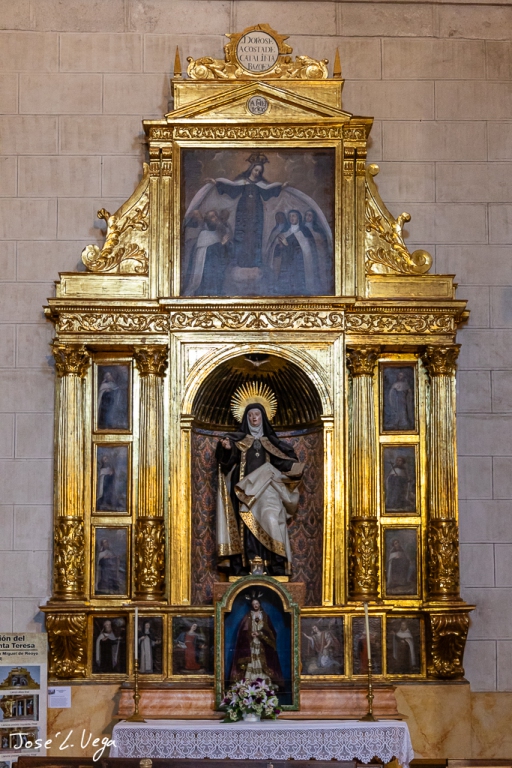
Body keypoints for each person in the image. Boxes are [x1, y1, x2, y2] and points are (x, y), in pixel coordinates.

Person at [216, 385, 303, 577]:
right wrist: (227, 449)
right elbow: (226, 462)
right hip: (245, 492)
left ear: (263, 417)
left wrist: (294, 467)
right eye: (250, 415)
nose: (254, 418)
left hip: (267, 491)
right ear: (245, 418)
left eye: (257, 414)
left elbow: (282, 461)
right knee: (245, 527)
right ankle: (245, 566)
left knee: (272, 520)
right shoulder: (239, 441)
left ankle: (275, 564)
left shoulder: (271, 443)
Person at [207, 154, 287, 272]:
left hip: (257, 214)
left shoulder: (260, 185)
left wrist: (281, 187)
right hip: (243, 214)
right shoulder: (242, 182)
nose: (257, 173)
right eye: (256, 170)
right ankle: (241, 260)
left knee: (255, 236)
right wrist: (217, 183)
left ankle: (255, 261)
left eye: (259, 171)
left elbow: (267, 193)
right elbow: (232, 190)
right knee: (242, 235)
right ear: (251, 169)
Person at [230, 595, 283, 689]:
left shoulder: (265, 616)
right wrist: (250, 634)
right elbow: (242, 630)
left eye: (257, 603)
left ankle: (263, 683)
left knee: (261, 660)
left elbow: (271, 631)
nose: (255, 605)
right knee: (252, 660)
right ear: (252, 605)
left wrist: (261, 634)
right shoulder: (248, 616)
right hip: (251, 643)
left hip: (262, 643)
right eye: (254, 604)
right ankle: (250, 681)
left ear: (259, 604)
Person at [184, 209, 231, 295]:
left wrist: (225, 245)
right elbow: (204, 254)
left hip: (217, 272)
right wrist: (220, 244)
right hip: (205, 275)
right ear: (208, 221)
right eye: (212, 217)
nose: (216, 218)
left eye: (216, 216)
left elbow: (225, 255)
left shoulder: (219, 233)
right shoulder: (204, 235)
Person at [272, 210, 319, 295]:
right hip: (286, 261)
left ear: (298, 217)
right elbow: (278, 247)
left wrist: (287, 244)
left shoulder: (305, 231)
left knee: (299, 280)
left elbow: (307, 248)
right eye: (290, 216)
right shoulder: (285, 231)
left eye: (294, 216)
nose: (291, 218)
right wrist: (280, 245)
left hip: (300, 261)